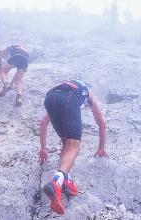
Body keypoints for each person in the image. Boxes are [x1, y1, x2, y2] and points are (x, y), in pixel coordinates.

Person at [39, 79, 108, 214]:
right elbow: (101, 123)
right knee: (75, 145)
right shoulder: (87, 94)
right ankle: (57, 181)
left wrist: (43, 148)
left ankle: (66, 180)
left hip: (49, 98)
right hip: (69, 99)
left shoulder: (60, 90)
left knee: (66, 143)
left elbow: (43, 122)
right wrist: (101, 148)